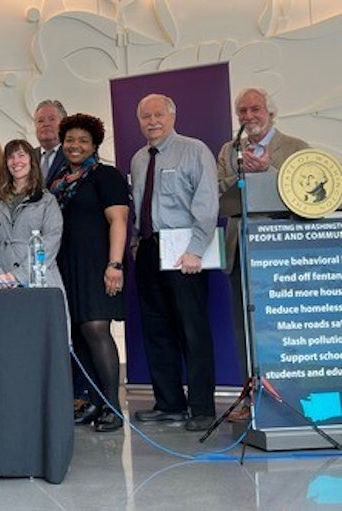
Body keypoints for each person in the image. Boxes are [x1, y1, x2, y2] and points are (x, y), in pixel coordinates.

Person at [216, 87, 308, 420]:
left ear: (270, 112)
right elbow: (216, 190)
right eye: (242, 111)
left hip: (283, 254)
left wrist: (266, 172)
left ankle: (291, 398)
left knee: (283, 326)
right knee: (245, 327)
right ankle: (251, 398)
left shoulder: (296, 147)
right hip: (241, 247)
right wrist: (243, 175)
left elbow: (306, 193)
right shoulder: (228, 150)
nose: (248, 116)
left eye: (255, 109)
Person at [131, 94, 219, 432]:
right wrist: (138, 243)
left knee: (192, 331)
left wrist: (196, 249)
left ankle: (202, 408)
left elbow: (207, 203)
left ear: (172, 116)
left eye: (158, 115)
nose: (152, 121)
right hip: (151, 251)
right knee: (157, 330)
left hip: (187, 253)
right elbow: (140, 204)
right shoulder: (139, 159)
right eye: (145, 116)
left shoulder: (194, 150)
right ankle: (169, 404)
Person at [48, 114, 130, 432]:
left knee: (97, 330)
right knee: (79, 334)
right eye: (70, 140)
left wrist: (115, 264)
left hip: (98, 265)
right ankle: (94, 402)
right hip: (66, 265)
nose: (75, 145)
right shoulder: (55, 183)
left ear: (94, 144)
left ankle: (112, 406)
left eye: (83, 140)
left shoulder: (105, 176)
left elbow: (118, 222)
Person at [0, 139, 63, 288]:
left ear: (31, 160)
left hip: (39, 281)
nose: (16, 161)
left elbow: (51, 241)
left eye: (21, 155)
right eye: (10, 157)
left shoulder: (47, 200)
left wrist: (18, 276)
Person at [33, 99, 68, 184]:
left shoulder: (72, 154)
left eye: (52, 119)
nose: (46, 124)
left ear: (63, 124)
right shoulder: (29, 156)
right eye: (40, 120)